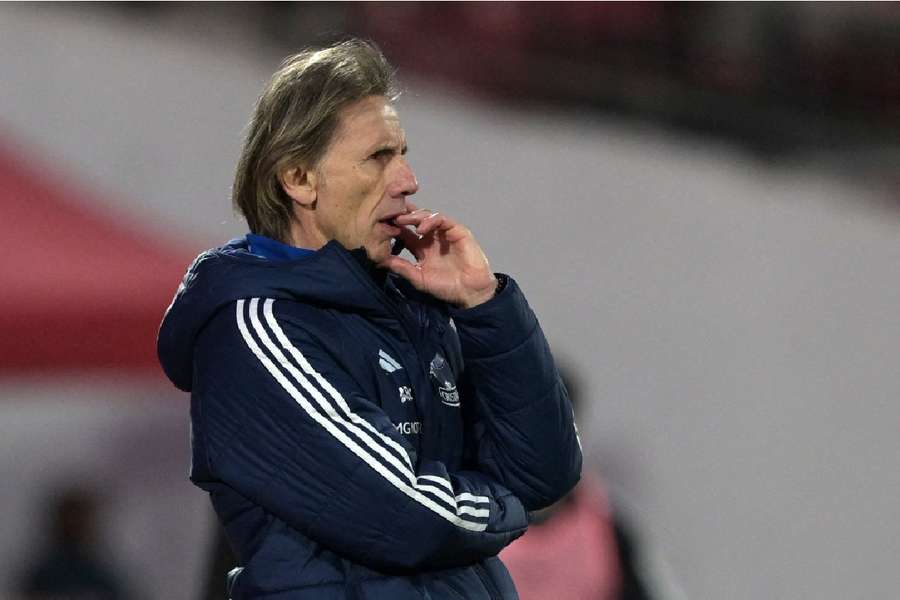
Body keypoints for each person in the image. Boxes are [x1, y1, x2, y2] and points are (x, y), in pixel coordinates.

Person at [158, 39, 582, 600]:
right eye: (379, 156)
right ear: (299, 179)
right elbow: (413, 518)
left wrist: (485, 305)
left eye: (402, 153)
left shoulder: (408, 307)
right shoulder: (255, 327)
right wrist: (507, 504)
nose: (408, 180)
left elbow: (545, 472)